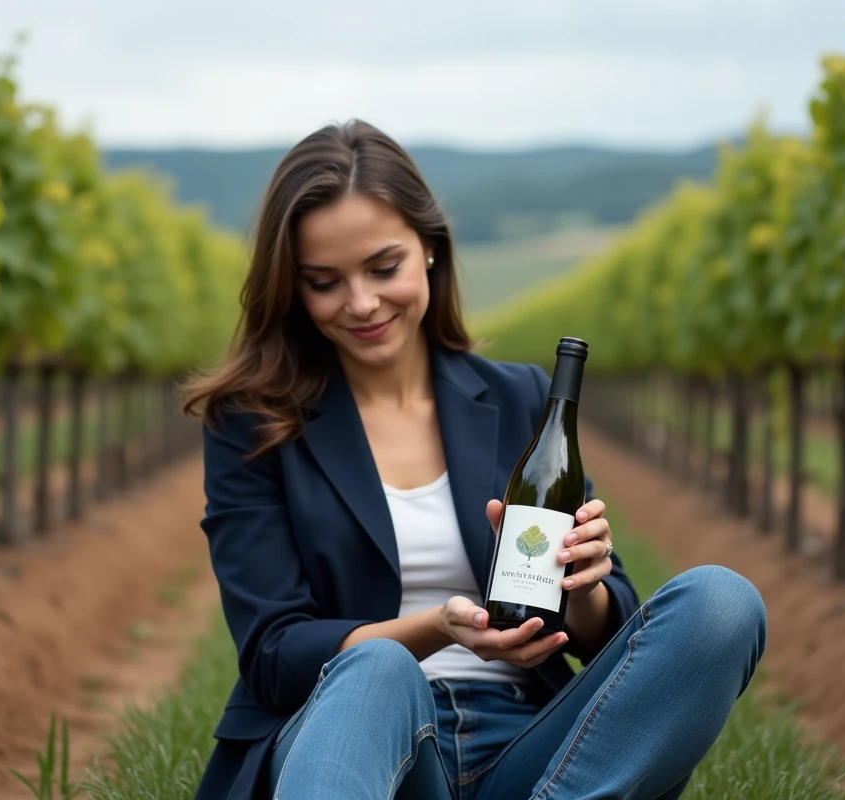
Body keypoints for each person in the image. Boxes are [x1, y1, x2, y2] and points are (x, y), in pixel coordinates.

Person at [181, 119, 767, 800]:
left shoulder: (520, 399)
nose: (361, 302)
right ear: (292, 287)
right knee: (379, 668)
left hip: (528, 747)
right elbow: (273, 655)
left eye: (383, 267)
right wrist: (433, 630)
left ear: (430, 249)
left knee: (722, 603)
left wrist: (586, 586)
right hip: (360, 741)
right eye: (324, 282)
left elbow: (610, 639)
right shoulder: (251, 423)